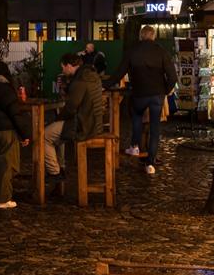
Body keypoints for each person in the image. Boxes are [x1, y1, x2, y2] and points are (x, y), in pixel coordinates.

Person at [104, 25, 177, 174]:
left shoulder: (132, 51)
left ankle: (135, 146)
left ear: (141, 36)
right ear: (154, 36)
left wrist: (104, 85)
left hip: (139, 93)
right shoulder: (161, 52)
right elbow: (173, 77)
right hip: (157, 95)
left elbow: (119, 74)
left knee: (137, 116)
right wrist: (165, 90)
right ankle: (150, 163)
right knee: (155, 128)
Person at [0, 57, 31, 209]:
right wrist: (25, 133)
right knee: (7, 164)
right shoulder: (4, 88)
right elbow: (14, 113)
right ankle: (3, 198)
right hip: (6, 130)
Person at [43, 53, 104, 179]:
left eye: (63, 67)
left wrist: (57, 119)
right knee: (56, 134)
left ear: (69, 66)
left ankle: (55, 172)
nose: (62, 71)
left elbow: (71, 108)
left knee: (43, 136)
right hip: (95, 123)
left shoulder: (80, 79)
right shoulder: (91, 75)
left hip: (83, 125)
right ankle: (60, 167)